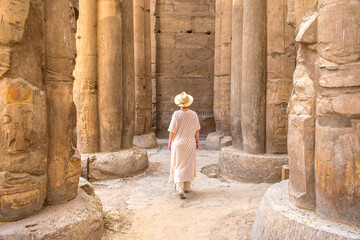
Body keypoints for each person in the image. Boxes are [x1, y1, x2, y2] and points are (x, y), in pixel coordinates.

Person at [168, 91, 200, 199]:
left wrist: (169, 143)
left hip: (178, 143)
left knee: (178, 165)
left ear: (179, 103)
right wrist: (197, 141)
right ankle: (186, 187)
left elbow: (172, 130)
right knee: (188, 164)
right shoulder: (194, 114)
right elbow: (197, 130)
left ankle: (180, 188)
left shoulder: (176, 114)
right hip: (189, 142)